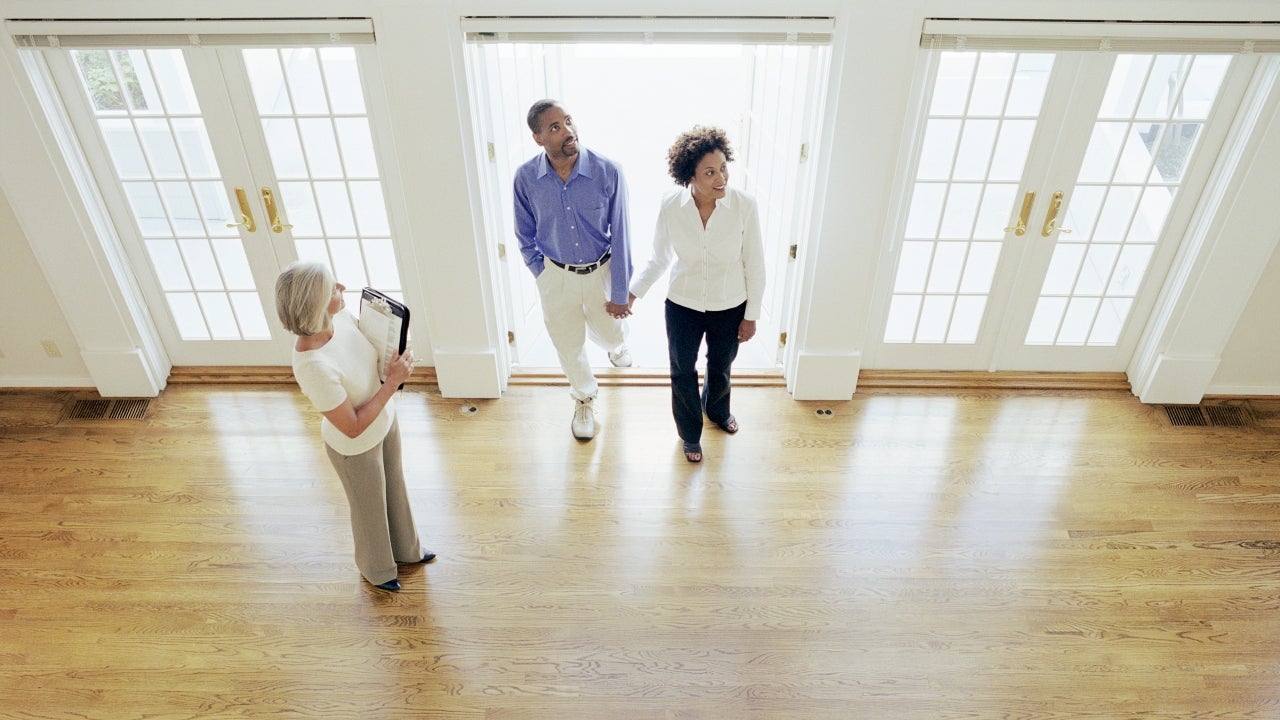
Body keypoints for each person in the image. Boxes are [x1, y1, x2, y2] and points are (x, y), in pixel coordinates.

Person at [275, 261, 434, 592]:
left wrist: (396, 347)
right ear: (316, 305)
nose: (343, 288)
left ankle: (407, 550)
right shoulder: (313, 365)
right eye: (334, 288)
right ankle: (377, 570)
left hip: (385, 421)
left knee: (395, 489)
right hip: (355, 447)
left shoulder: (340, 318)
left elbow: (371, 348)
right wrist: (392, 383)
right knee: (369, 511)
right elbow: (352, 426)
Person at [629, 127, 766, 463]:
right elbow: (659, 258)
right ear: (690, 175)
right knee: (681, 371)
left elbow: (756, 265)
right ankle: (690, 434)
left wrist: (751, 315)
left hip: (730, 304)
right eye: (710, 172)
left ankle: (717, 412)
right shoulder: (671, 206)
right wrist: (633, 294)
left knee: (721, 367)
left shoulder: (744, 205)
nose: (721, 177)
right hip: (683, 305)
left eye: (723, 168)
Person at [514, 99, 634, 441]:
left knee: (611, 332)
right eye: (555, 127)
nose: (568, 131)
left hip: (601, 272)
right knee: (568, 344)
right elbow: (524, 233)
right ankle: (584, 396)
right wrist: (541, 272)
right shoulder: (525, 179)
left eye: (568, 121)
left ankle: (616, 347)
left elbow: (622, 233)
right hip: (555, 275)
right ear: (538, 138)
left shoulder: (608, 171)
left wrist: (621, 291)